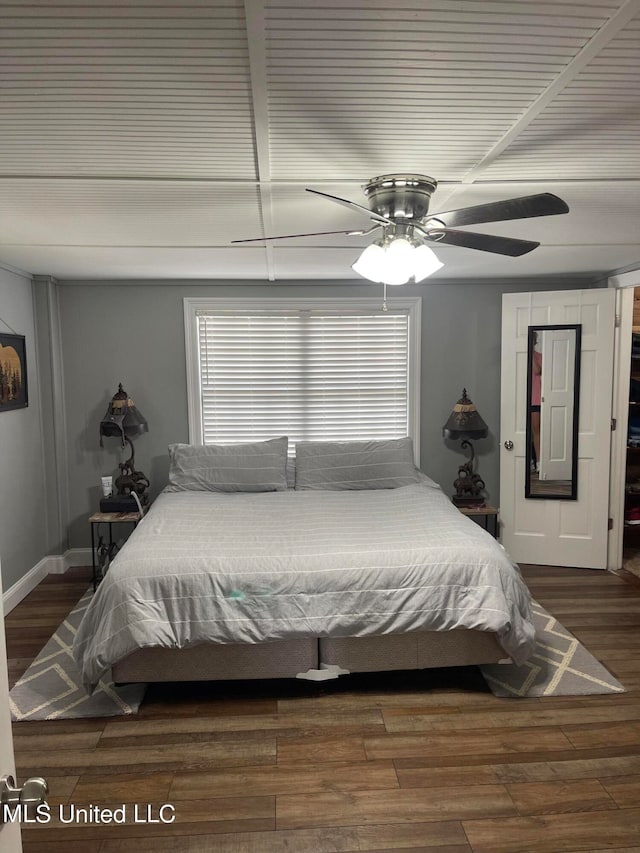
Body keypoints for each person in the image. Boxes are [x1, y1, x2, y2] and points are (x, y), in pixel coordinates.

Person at [530, 331, 542, 473]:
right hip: (521, 398)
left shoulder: (539, 357)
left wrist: (531, 354)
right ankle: (529, 460)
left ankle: (539, 461)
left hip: (535, 398)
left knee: (536, 430)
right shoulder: (518, 355)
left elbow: (537, 370)